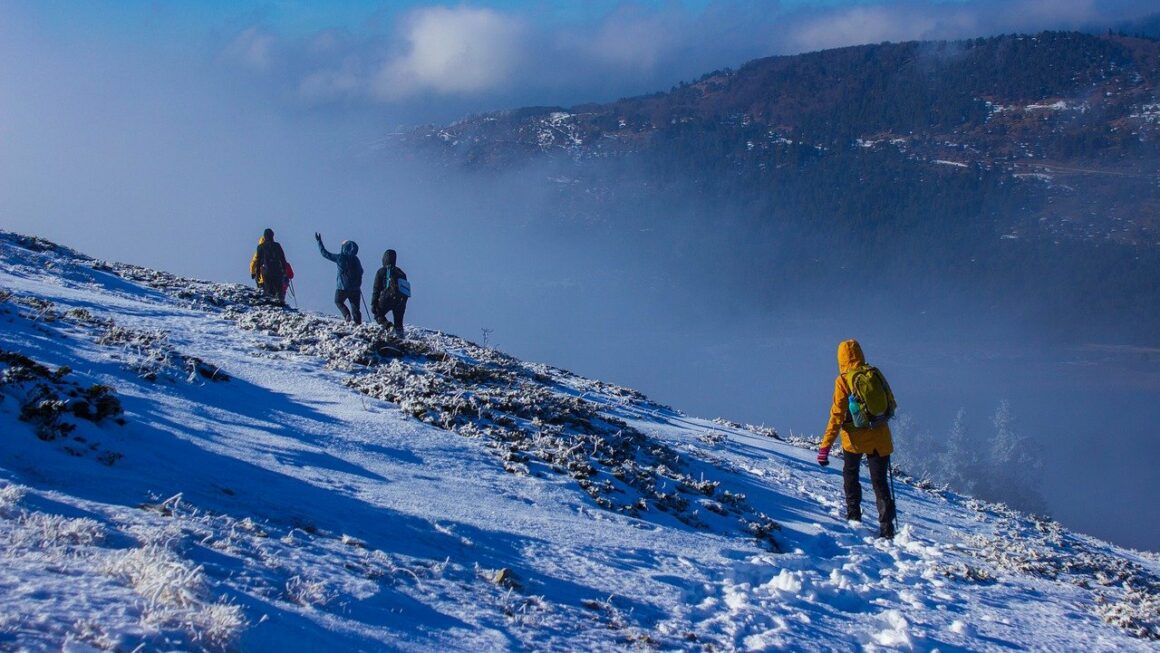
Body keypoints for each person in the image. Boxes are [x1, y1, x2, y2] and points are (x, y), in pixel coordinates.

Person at [817, 339, 897, 539]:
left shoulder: (843, 380)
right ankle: (887, 529)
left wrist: (825, 447)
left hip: (854, 439)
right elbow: (892, 403)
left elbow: (836, 415)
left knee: (851, 474)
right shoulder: (875, 373)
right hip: (880, 436)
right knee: (880, 483)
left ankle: (854, 516)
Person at [315, 232, 363, 324]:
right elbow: (361, 271)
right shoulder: (356, 260)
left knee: (338, 301)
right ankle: (358, 324)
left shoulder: (340, 257)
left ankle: (347, 315)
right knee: (355, 307)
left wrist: (319, 241)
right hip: (355, 289)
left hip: (342, 287)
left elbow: (324, 253)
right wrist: (358, 283)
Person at [249, 228, 293, 304]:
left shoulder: (260, 247)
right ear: (272, 236)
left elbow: (257, 261)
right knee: (279, 289)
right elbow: (282, 259)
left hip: (266, 271)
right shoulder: (277, 245)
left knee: (268, 289)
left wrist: (257, 273)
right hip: (277, 271)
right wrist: (284, 272)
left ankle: (269, 302)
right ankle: (280, 302)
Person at [371, 249, 408, 336]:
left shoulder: (381, 271)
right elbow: (406, 290)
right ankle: (400, 337)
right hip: (401, 300)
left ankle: (388, 326)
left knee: (378, 314)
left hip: (387, 296)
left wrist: (373, 304)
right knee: (398, 322)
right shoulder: (401, 272)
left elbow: (376, 289)